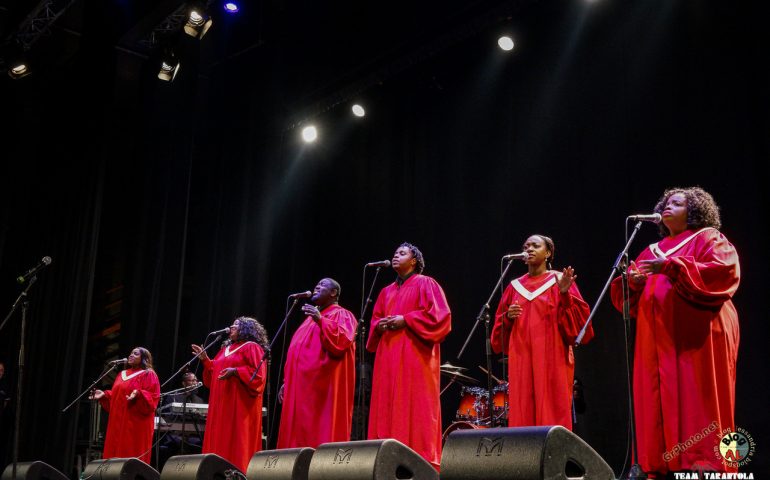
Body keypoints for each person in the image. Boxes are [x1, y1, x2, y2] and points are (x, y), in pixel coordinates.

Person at [610, 187, 740, 476]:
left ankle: (704, 463)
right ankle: (656, 462)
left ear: (694, 211)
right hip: (656, 337)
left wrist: (672, 267)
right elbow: (625, 302)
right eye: (666, 204)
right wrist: (632, 281)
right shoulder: (649, 250)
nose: (668, 207)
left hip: (697, 333)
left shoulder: (708, 238)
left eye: (677, 204)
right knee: (655, 395)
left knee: (698, 393)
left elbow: (723, 271)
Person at [491, 234, 593, 431]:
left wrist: (565, 295)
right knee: (523, 408)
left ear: (548, 253)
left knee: (552, 408)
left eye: (535, 246)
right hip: (521, 358)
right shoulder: (514, 287)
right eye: (526, 246)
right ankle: (524, 458)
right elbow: (498, 334)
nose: (529, 249)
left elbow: (579, 328)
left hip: (553, 357)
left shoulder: (560, 280)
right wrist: (508, 317)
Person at [366, 242, 451, 471]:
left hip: (415, 358)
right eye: (394, 253)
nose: (396, 256)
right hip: (388, 359)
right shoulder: (385, 291)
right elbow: (374, 322)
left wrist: (407, 320)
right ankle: (385, 460)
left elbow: (441, 318)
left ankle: (419, 463)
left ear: (414, 261)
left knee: (414, 407)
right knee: (387, 405)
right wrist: (380, 326)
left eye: (402, 253)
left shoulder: (426, 283)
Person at [278, 278, 357, 448]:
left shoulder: (342, 314)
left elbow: (342, 341)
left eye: (322, 285)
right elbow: (296, 352)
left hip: (321, 390)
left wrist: (321, 320)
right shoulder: (309, 320)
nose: (316, 287)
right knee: (295, 437)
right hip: (300, 387)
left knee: (316, 434)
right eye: (316, 285)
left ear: (333, 293)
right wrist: (287, 380)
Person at [192, 317, 268, 473]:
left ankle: (237, 473)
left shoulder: (251, 347)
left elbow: (258, 376)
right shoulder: (224, 350)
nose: (232, 326)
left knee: (236, 441)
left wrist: (236, 372)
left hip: (239, 406)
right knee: (219, 440)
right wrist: (205, 360)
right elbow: (214, 375)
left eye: (237, 325)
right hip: (221, 406)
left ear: (247, 329)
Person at [90, 347, 160, 464]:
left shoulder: (148, 374)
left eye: (136, 354)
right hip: (117, 423)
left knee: (129, 455)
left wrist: (139, 393)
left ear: (144, 359)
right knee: (113, 456)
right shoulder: (121, 374)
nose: (131, 355)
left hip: (135, 424)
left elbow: (153, 398)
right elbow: (118, 396)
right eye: (131, 353)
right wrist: (105, 395)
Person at [158, 371, 205, 465]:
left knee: (201, 444)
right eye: (192, 381)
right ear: (184, 383)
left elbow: (202, 418)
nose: (195, 383)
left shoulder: (199, 400)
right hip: (175, 434)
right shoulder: (173, 397)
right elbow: (168, 416)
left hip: (192, 435)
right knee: (177, 443)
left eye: (196, 380)